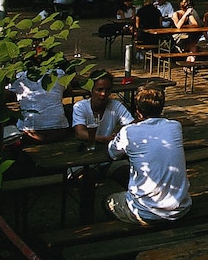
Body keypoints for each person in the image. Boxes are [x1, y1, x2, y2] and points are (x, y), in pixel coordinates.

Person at [106, 86, 192, 225]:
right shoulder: (175, 126)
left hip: (145, 212)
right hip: (180, 208)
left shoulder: (129, 131)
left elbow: (112, 152)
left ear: (138, 112)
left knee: (108, 201)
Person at [5, 66, 71, 143]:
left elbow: (6, 95)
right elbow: (69, 90)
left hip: (30, 134)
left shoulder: (20, 77)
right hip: (59, 132)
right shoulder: (58, 74)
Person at [72, 71, 134, 145]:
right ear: (91, 90)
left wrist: (119, 131)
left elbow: (131, 125)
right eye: (99, 90)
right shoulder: (80, 107)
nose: (103, 94)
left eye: (107, 90)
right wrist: (103, 139)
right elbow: (80, 133)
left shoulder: (116, 105)